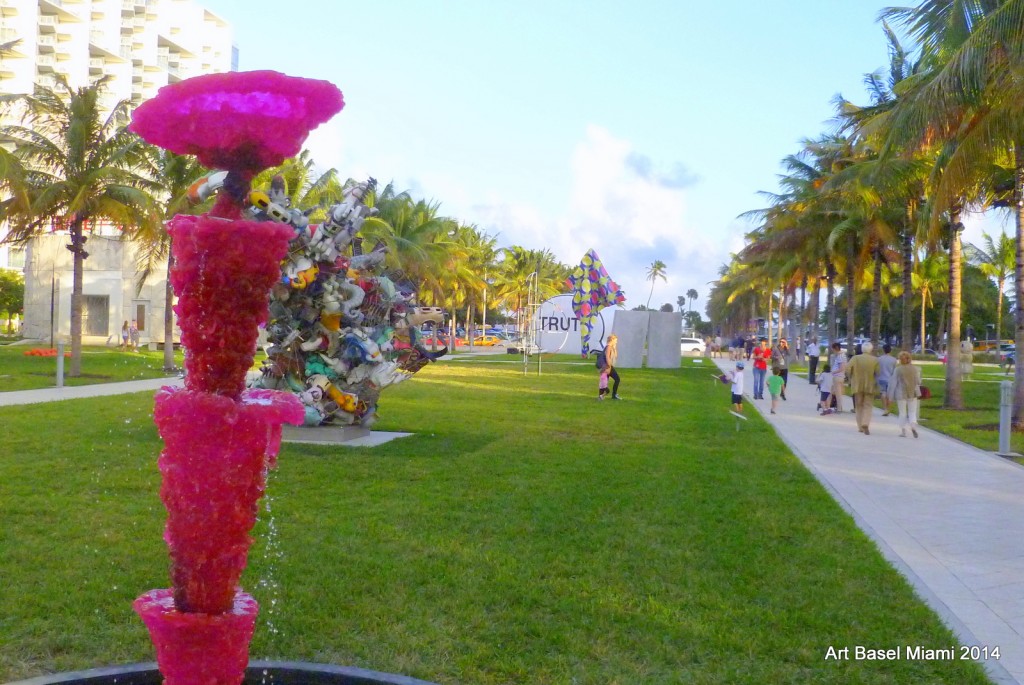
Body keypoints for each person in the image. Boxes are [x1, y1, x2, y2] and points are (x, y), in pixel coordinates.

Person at [847, 341, 880, 435]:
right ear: (871, 350)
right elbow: (878, 373)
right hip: (870, 385)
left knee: (858, 406)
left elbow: (848, 368)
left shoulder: (855, 358)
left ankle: (860, 427)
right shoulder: (875, 360)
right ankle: (865, 423)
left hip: (857, 384)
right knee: (868, 405)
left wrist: (850, 378)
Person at [889, 350, 923, 437]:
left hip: (901, 393)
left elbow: (893, 383)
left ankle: (903, 431)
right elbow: (918, 381)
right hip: (913, 393)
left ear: (900, 360)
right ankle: (913, 425)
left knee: (902, 412)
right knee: (912, 411)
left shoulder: (898, 369)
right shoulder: (915, 369)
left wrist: (890, 396)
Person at [877, 344, 898, 416]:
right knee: (890, 394)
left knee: (883, 393)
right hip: (890, 378)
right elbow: (895, 370)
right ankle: (888, 408)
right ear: (890, 350)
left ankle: (885, 408)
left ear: (883, 350)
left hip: (881, 378)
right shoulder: (894, 359)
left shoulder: (879, 359)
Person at [829, 342, 848, 413]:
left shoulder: (841, 356)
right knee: (832, 392)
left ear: (835, 348)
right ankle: (829, 405)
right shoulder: (839, 356)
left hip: (838, 376)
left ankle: (839, 408)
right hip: (837, 376)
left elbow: (842, 368)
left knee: (838, 393)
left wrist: (833, 372)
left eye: (833, 349)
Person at [602, 334, 621, 400]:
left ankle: (602, 396)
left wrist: (615, 348)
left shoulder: (611, 347)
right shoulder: (608, 347)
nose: (616, 342)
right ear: (612, 340)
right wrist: (609, 366)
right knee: (617, 379)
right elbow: (607, 356)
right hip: (608, 366)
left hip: (608, 366)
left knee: (605, 383)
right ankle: (614, 395)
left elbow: (615, 356)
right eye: (616, 340)